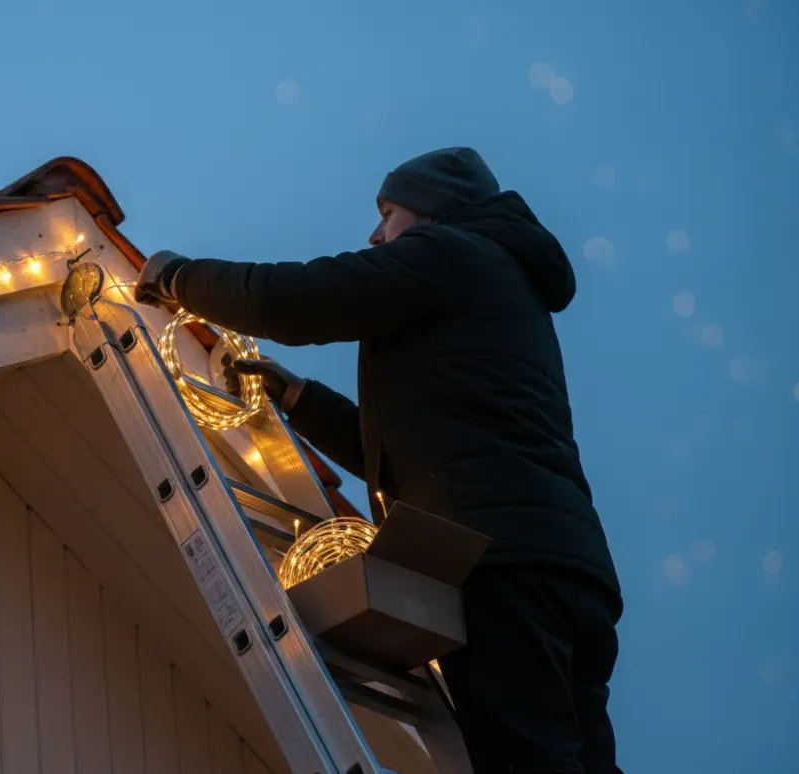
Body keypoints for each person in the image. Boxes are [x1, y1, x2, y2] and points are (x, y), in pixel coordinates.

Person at [133, 147, 623, 774]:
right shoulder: (498, 285)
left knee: (523, 757)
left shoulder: (449, 256)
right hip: (566, 565)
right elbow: (423, 453)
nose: (374, 233)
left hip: (498, 562)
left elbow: (297, 298)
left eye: (387, 212)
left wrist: (177, 276)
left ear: (430, 211)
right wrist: (301, 400)